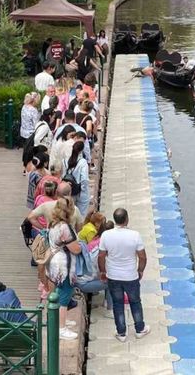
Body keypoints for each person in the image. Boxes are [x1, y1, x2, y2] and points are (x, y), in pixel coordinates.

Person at [98, 208, 150, 342]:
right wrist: (140, 270)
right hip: (130, 276)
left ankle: (121, 333)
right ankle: (140, 329)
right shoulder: (135, 235)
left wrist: (103, 271)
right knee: (135, 302)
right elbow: (142, 257)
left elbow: (101, 256)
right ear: (127, 219)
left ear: (115, 220)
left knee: (118, 303)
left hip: (113, 275)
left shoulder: (106, 235)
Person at [46, 198, 82, 340]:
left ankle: (61, 320)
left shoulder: (53, 224)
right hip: (64, 264)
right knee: (65, 294)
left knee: (59, 291)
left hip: (54, 261)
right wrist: (80, 247)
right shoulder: (64, 228)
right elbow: (75, 249)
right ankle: (61, 328)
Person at [62, 141, 90, 216]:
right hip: (80, 192)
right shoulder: (83, 162)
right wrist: (83, 190)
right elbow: (84, 179)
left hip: (69, 190)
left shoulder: (65, 160)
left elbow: (63, 175)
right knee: (81, 214)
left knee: (71, 213)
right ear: (81, 150)